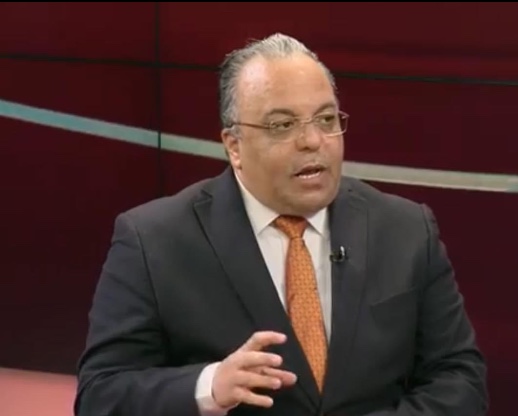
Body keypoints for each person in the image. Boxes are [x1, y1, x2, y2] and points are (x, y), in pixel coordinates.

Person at [74, 33, 488, 416]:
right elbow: (101, 394)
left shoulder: (406, 230)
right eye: (283, 125)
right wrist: (209, 386)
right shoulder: (154, 241)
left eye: (326, 119)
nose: (312, 141)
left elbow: (459, 378)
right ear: (234, 146)